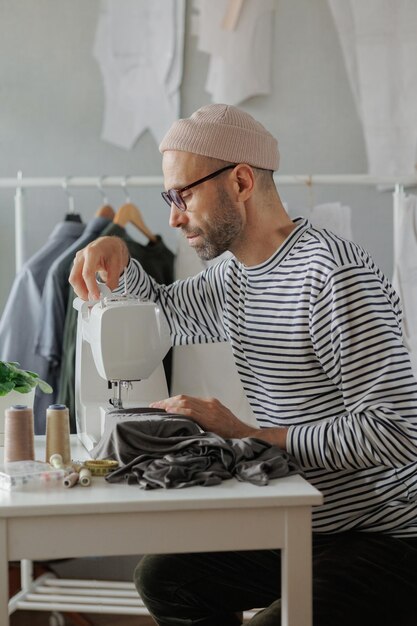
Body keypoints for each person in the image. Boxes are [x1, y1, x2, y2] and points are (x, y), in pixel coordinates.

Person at [69, 104, 417, 626]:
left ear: (240, 181)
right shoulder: (237, 275)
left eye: (182, 194)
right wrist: (117, 253)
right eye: (169, 198)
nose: (173, 216)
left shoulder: (331, 277)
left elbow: (397, 432)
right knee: (164, 580)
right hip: (302, 518)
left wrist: (251, 434)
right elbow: (162, 316)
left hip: (384, 535)